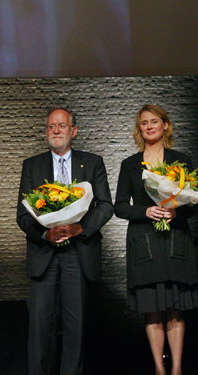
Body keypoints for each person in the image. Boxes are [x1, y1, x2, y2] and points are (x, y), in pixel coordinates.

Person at [17, 108, 113, 375]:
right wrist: (45, 233)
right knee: (39, 326)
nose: (55, 130)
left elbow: (105, 206)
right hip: (43, 252)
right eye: (50, 126)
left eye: (61, 125)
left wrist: (80, 228)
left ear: (74, 131)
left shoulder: (92, 162)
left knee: (76, 325)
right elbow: (23, 215)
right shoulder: (32, 165)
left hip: (78, 252)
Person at [115, 104, 198, 375]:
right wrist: (145, 211)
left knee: (175, 308)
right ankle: (159, 370)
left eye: (154, 122)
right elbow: (119, 206)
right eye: (144, 123)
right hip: (145, 243)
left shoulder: (182, 160)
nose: (149, 126)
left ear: (165, 125)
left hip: (176, 241)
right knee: (152, 309)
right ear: (139, 129)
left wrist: (178, 209)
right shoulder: (129, 164)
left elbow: (195, 203)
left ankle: (176, 369)